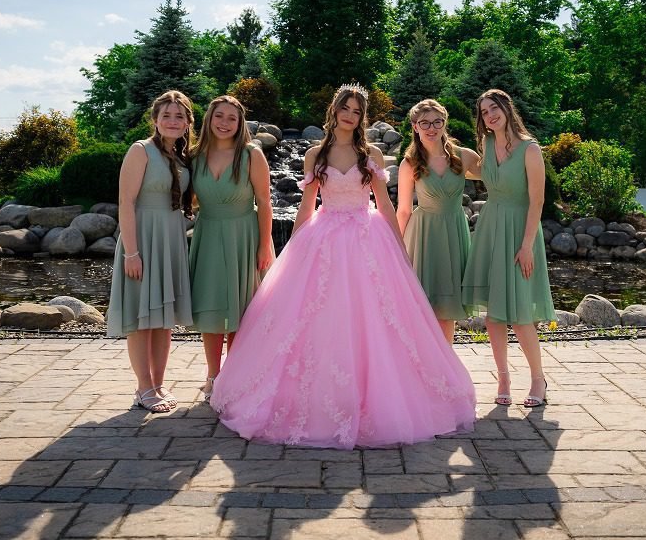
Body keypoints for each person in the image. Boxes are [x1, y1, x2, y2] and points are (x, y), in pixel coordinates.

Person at [211, 84, 476, 448]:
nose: (350, 116)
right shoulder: (315, 154)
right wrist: (295, 248)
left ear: (362, 117)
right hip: (325, 235)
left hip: (368, 237)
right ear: (334, 110)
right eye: (345, 108)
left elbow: (385, 203)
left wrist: (399, 248)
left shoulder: (372, 155)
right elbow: (307, 205)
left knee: (377, 317)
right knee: (317, 317)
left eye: (356, 111)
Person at [462, 88, 554, 408]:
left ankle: (538, 379)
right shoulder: (487, 144)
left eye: (494, 108)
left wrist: (527, 246)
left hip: (519, 232)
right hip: (490, 228)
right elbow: (470, 169)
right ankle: (503, 378)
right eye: (484, 112)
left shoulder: (530, 149)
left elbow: (537, 201)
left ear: (506, 108)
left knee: (520, 315)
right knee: (493, 316)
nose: (490, 115)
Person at [107, 90, 195, 413]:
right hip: (143, 239)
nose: (173, 121)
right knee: (141, 318)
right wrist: (131, 252)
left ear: (188, 122)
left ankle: (158, 383)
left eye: (179, 116)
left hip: (170, 239)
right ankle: (144, 388)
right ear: (155, 120)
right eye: (166, 115)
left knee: (163, 319)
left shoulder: (183, 157)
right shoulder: (140, 150)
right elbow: (126, 202)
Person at [188, 95, 274, 402]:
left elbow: (264, 202)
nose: (224, 123)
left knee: (242, 310)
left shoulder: (251, 154)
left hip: (244, 235)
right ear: (209, 119)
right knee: (210, 307)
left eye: (232, 118)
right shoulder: (194, 156)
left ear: (240, 124)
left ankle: (236, 377)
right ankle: (213, 375)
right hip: (208, 234)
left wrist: (264, 246)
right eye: (219, 116)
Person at [396, 99, 481, 344]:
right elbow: (404, 210)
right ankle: (423, 359)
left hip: (454, 232)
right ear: (415, 127)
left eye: (437, 122)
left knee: (448, 308)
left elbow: (496, 177)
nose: (431, 128)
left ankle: (446, 361)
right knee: (423, 307)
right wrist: (396, 247)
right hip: (424, 235)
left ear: (445, 123)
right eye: (425, 123)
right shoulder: (409, 163)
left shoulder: (464, 156)